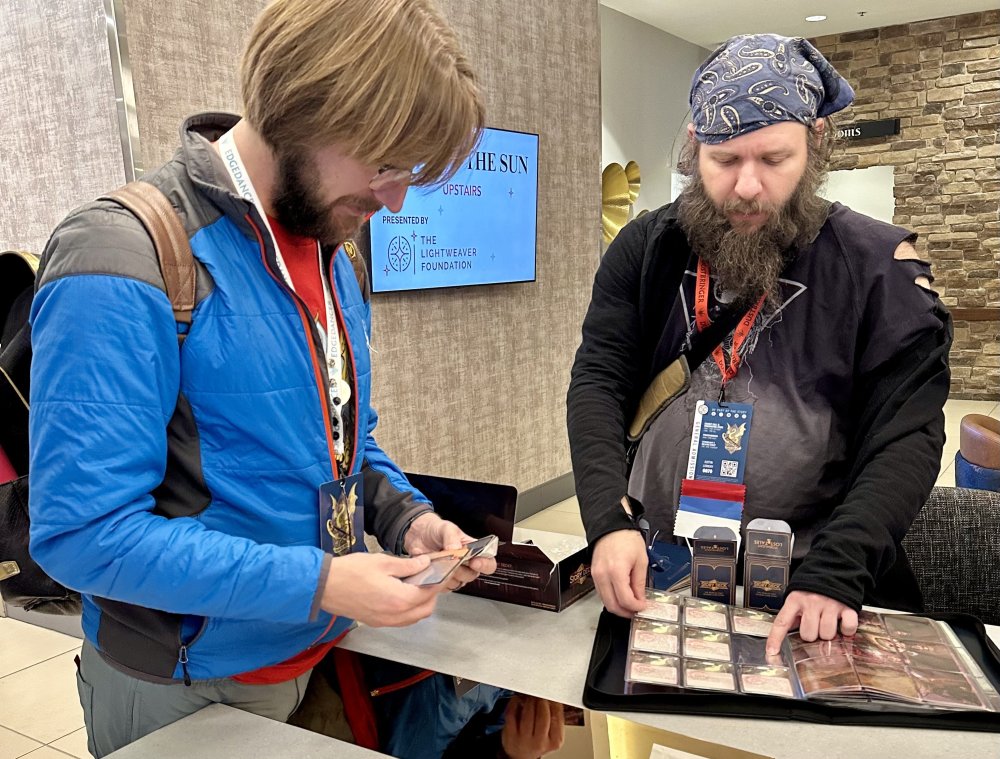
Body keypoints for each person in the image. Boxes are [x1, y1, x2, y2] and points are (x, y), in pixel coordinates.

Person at [28, 0, 498, 755]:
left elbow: (341, 442)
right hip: (181, 686)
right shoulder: (125, 254)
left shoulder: (333, 255)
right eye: (383, 164)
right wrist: (321, 582)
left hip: (321, 661)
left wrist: (408, 516)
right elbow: (83, 534)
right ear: (303, 108)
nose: (396, 199)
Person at [567, 33, 951, 656]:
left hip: (813, 584)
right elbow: (598, 384)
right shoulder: (645, 250)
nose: (747, 186)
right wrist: (607, 523)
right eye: (725, 161)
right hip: (659, 570)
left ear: (816, 144)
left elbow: (904, 437)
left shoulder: (880, 269)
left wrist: (839, 570)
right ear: (694, 148)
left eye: (773, 160)